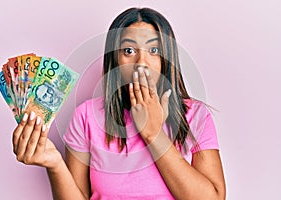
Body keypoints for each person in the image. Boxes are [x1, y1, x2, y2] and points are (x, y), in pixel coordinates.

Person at [12, 7, 226, 200]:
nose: (141, 63)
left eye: (154, 50)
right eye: (129, 51)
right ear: (115, 59)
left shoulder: (196, 116)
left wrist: (153, 134)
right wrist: (55, 165)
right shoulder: (86, 116)